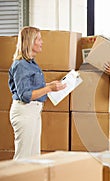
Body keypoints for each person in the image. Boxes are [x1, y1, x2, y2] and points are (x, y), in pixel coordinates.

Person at [8, 26, 66, 160]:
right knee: (23, 157)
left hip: (33, 111)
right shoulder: (21, 65)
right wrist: (49, 89)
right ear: (30, 42)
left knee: (33, 156)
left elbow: (33, 87)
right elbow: (25, 95)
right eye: (39, 39)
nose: (42, 42)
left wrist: (51, 85)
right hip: (24, 111)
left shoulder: (31, 63)